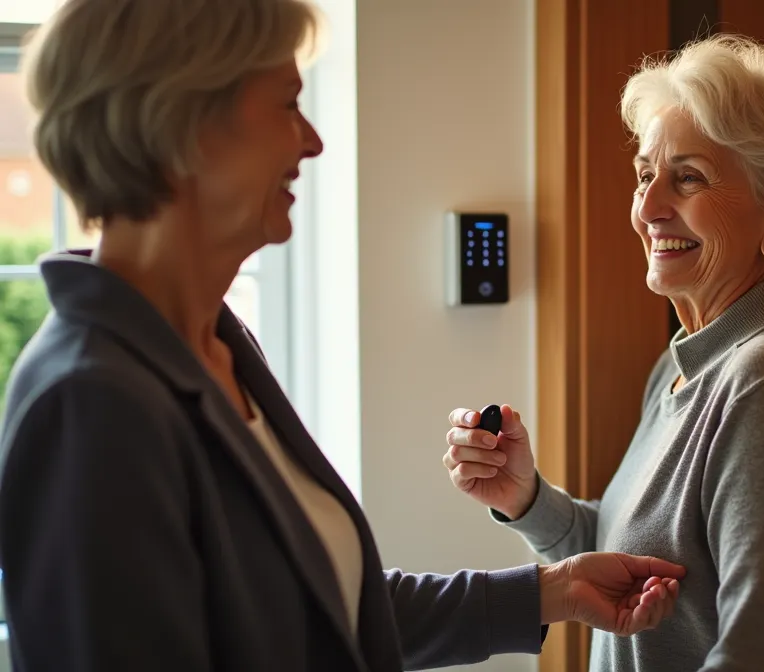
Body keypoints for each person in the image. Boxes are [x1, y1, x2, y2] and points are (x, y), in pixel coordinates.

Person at [0, 2, 684, 671]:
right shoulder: (89, 403)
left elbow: (320, 612)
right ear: (184, 123)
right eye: (287, 104)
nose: (312, 141)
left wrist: (553, 590)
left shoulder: (221, 347)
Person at [444, 34, 764, 671]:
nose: (649, 209)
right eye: (645, 175)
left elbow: (759, 654)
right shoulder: (688, 360)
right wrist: (525, 497)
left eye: (689, 178)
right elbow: (622, 559)